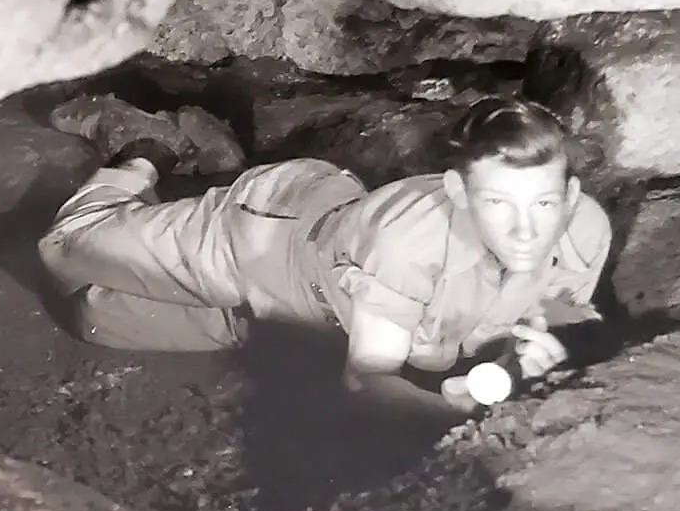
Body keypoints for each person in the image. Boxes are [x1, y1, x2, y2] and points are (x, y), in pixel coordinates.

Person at [36, 95, 614, 413]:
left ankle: (234, 308)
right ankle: (144, 149)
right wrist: (450, 409)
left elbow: (558, 314)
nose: (524, 231)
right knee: (64, 252)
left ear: (569, 193)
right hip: (268, 239)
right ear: (459, 193)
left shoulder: (582, 230)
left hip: (324, 311)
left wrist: (541, 348)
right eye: (498, 203)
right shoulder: (407, 242)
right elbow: (367, 381)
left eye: (543, 203)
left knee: (92, 318)